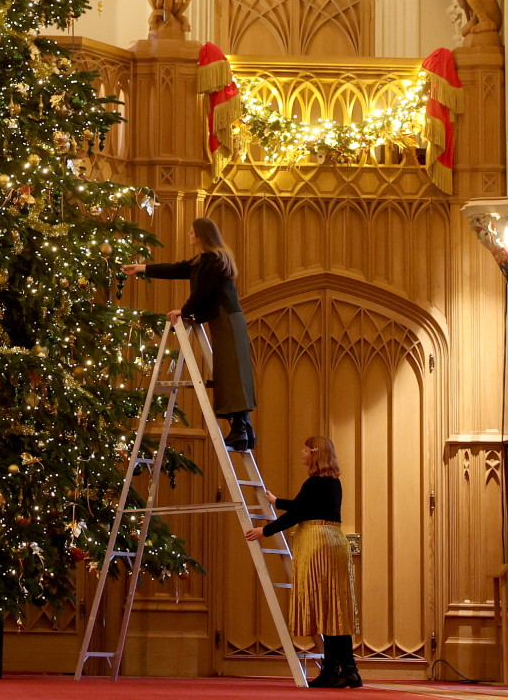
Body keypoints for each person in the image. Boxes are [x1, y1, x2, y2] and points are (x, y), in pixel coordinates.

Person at [123, 218, 257, 450]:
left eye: (192, 231)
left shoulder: (215, 260)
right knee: (229, 372)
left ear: (202, 235)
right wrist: (142, 268)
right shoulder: (203, 260)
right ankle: (243, 430)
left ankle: (241, 430)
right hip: (222, 319)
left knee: (231, 373)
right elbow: (177, 268)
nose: (188, 233)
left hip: (227, 318)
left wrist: (183, 311)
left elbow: (203, 291)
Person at [246, 436, 359, 688]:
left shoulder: (313, 482)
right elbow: (303, 506)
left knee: (324, 609)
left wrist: (265, 531)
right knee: (334, 610)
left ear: (315, 453)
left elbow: (298, 513)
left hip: (317, 545)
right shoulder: (333, 482)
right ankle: (340, 669)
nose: (302, 452)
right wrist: (277, 502)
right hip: (335, 543)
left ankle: (342, 669)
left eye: (306, 449)